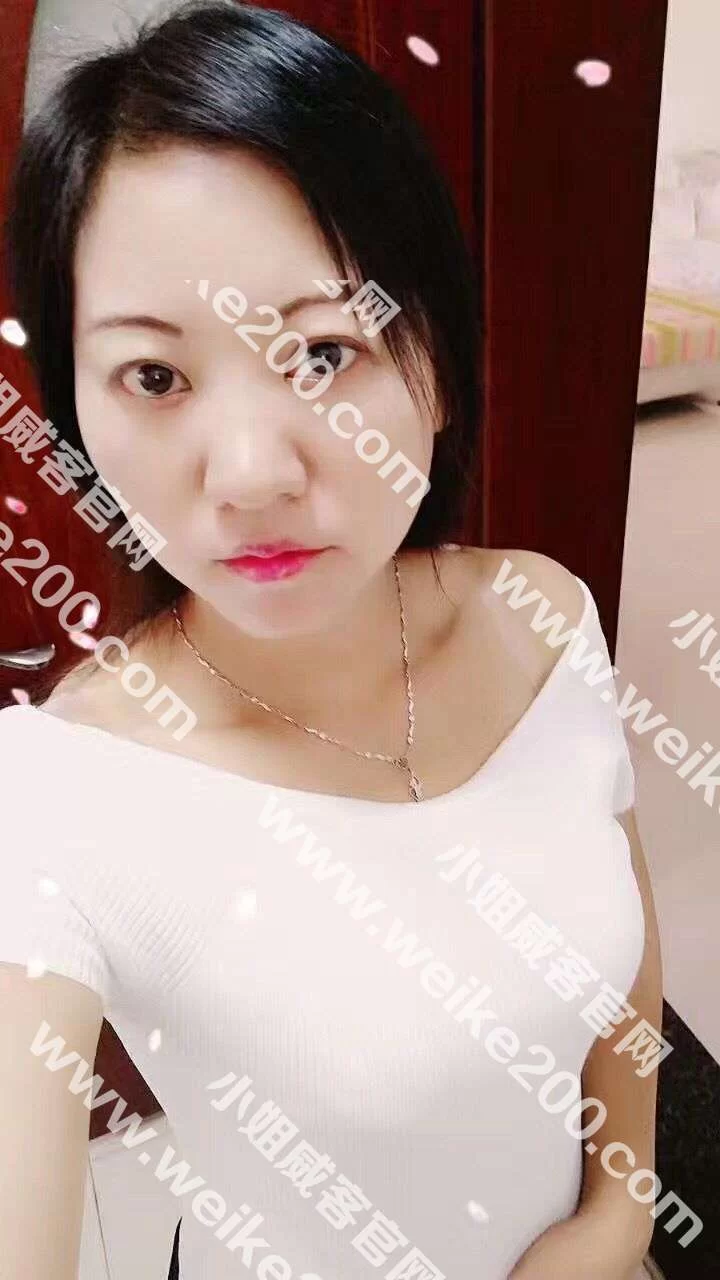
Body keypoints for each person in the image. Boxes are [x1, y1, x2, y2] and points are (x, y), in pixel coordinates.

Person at [0, 3, 661, 1278]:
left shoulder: (545, 616)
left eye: (323, 351)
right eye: (155, 376)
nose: (251, 473)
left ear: (440, 366)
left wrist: (618, 1214)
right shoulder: (55, 790)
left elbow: (624, 963)